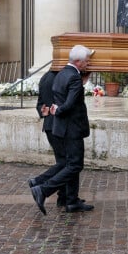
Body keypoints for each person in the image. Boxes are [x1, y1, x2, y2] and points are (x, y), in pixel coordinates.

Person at [30, 45, 95, 215]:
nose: (88, 64)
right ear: (78, 61)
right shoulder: (73, 77)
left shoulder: (60, 74)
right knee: (74, 164)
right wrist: (57, 110)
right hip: (71, 128)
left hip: (61, 127)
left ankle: (70, 201)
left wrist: (54, 109)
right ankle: (43, 189)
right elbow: (70, 103)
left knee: (69, 163)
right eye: (87, 61)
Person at [27, 70, 68, 207]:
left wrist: (42, 111)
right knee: (67, 163)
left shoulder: (46, 77)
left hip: (50, 125)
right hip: (58, 126)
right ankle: (39, 182)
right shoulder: (61, 77)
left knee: (63, 162)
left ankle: (63, 197)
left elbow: (40, 104)